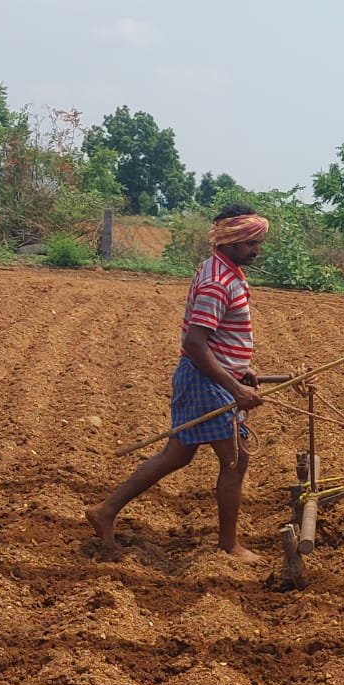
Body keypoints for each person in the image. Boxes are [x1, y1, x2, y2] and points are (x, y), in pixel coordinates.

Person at [87, 204, 267, 563]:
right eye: (250, 243)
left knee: (177, 455)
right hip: (205, 381)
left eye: (257, 243)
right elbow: (195, 343)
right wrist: (234, 387)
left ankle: (105, 511)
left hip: (208, 376)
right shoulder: (218, 282)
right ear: (230, 241)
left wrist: (239, 369)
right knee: (236, 460)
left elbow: (213, 340)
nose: (256, 250)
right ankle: (229, 545)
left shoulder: (221, 271)